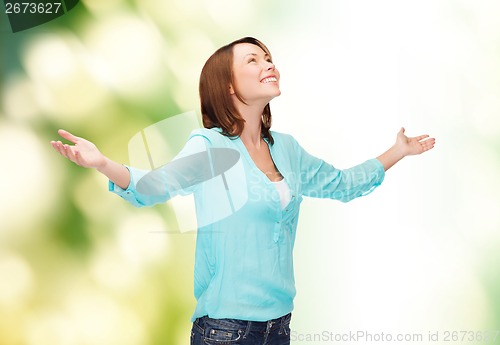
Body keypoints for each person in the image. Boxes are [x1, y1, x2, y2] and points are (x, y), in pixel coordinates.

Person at [50, 37, 435, 345]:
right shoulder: (210, 147)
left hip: (280, 327)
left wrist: (398, 151)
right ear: (229, 85)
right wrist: (101, 162)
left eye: (268, 57)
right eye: (253, 60)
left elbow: (343, 185)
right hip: (225, 331)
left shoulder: (287, 149)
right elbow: (152, 187)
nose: (269, 63)